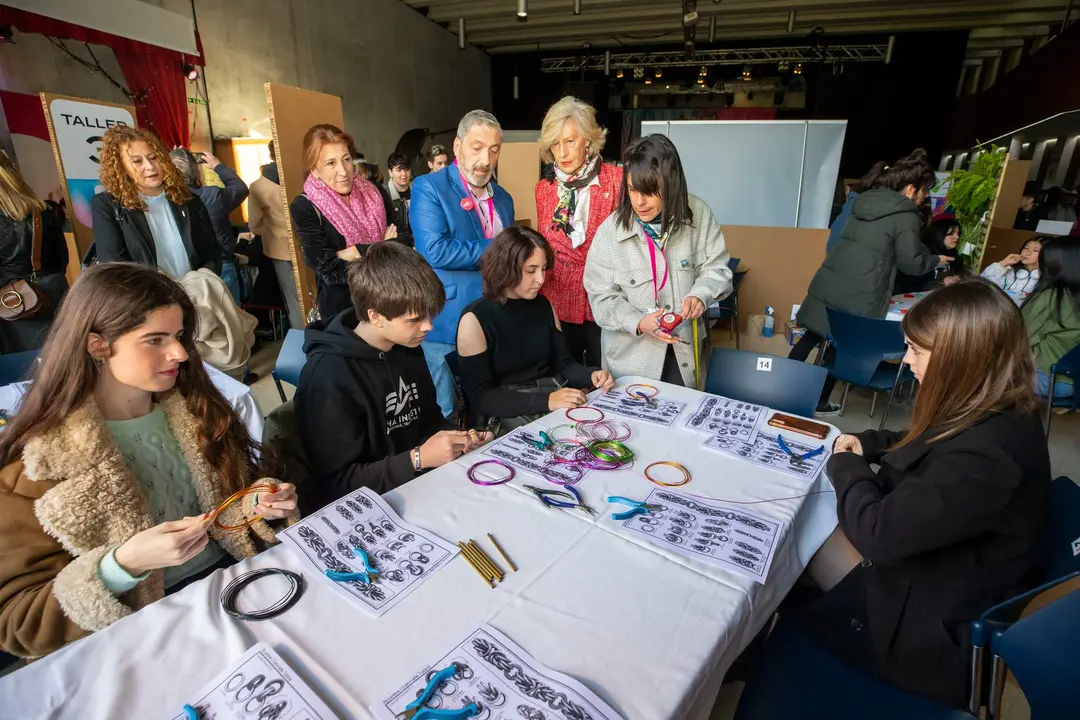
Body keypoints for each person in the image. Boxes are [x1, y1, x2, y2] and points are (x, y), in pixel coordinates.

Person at [0, 263, 298, 658]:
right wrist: (122, 565)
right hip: (144, 640)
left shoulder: (199, 414)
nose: (178, 353)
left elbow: (227, 506)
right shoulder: (38, 465)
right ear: (97, 345)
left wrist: (258, 504)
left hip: (238, 591)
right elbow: (18, 622)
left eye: (177, 337)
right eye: (154, 339)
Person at [798, 280, 1049, 709]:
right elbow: (932, 441)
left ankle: (786, 656)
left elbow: (877, 533)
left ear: (960, 358)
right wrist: (872, 443)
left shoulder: (986, 457)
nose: (906, 360)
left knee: (795, 545)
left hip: (929, 621)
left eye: (916, 350)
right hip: (943, 568)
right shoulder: (993, 406)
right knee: (808, 533)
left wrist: (845, 465)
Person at [294, 242, 491, 513]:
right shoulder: (327, 377)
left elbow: (428, 419)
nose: (428, 327)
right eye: (414, 319)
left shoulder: (405, 348)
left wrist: (461, 438)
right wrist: (417, 459)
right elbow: (334, 484)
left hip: (420, 486)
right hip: (367, 509)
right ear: (376, 316)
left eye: (429, 315)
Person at [790, 148, 945, 415]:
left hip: (832, 280)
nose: (924, 198)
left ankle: (782, 386)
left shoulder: (865, 201)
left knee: (812, 335)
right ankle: (818, 401)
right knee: (840, 345)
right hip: (861, 291)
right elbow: (911, 261)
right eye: (923, 192)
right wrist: (934, 261)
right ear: (910, 189)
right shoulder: (905, 214)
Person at [583, 134, 732, 387]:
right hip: (631, 363)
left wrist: (700, 294)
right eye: (632, 190)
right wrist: (639, 322)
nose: (639, 202)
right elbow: (600, 297)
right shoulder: (610, 233)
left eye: (650, 192)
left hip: (685, 354)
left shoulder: (699, 216)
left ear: (671, 185)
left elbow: (717, 269)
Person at [457, 226, 615, 432]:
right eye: (531, 271)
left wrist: (592, 375)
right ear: (505, 268)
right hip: (506, 413)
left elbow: (565, 364)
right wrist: (547, 400)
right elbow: (481, 398)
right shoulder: (475, 318)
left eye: (544, 269)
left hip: (550, 398)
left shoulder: (543, 305)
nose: (540, 279)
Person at [411, 110, 515, 418]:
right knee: (445, 409)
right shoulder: (430, 187)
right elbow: (435, 251)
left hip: (495, 318)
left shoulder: (505, 199)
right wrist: (501, 247)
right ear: (457, 146)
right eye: (477, 147)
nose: (486, 158)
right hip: (448, 319)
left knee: (486, 403)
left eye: (494, 149)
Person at [534, 96, 623, 367]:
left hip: (605, 303)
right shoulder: (544, 190)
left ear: (588, 139)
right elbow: (545, 249)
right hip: (558, 303)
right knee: (566, 384)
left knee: (607, 382)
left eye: (569, 141)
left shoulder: (618, 181)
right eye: (555, 144)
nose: (562, 153)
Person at [291, 124, 396, 321]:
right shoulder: (304, 206)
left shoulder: (374, 192)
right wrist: (381, 247)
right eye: (331, 163)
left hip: (388, 301)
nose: (343, 171)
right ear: (314, 169)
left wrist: (352, 252)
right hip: (343, 313)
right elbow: (326, 267)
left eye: (346, 160)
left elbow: (404, 239)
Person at [91, 126, 221, 277]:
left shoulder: (187, 199)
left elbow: (212, 255)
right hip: (149, 298)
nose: (150, 166)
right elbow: (114, 267)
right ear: (122, 168)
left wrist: (199, 285)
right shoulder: (107, 205)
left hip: (196, 295)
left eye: (153, 157)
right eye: (137, 161)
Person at [0, 151, 69, 353]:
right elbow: (62, 259)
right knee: (64, 357)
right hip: (54, 291)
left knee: (24, 367)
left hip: (11, 302)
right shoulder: (44, 211)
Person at [169, 148, 250, 303]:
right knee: (231, 319)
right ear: (196, 173)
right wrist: (218, 166)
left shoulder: (166, 201)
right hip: (222, 265)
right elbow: (240, 188)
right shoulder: (213, 195)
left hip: (184, 272)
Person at [247, 140, 304, 329]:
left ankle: (302, 341)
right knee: (313, 292)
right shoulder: (300, 178)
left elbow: (254, 225)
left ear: (271, 155)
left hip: (279, 247)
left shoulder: (258, 186)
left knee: (293, 299)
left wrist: (270, 230)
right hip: (307, 243)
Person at [1022, 237, 1080, 398]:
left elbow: (1019, 337)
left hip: (1047, 379)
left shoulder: (1052, 296)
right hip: (1073, 381)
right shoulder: (1073, 296)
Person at [893, 218, 965, 294]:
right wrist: (941, 283)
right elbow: (909, 285)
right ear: (939, 233)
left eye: (958, 233)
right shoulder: (921, 253)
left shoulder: (953, 256)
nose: (957, 237)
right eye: (952, 233)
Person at [384, 152, 413, 246]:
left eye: (407, 169)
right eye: (399, 170)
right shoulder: (383, 194)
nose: (404, 174)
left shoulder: (418, 190)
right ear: (390, 172)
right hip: (396, 246)